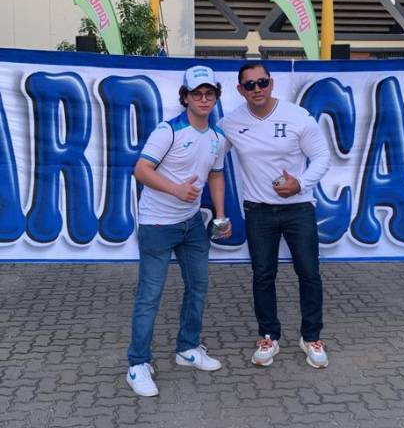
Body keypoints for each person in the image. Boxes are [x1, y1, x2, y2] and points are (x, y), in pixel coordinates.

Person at [126, 64, 231, 397]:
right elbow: (141, 170)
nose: (203, 99)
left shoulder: (217, 139)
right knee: (150, 296)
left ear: (216, 97)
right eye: (197, 94)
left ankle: (187, 349)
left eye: (209, 93)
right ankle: (137, 364)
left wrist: (220, 215)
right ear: (185, 97)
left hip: (192, 225)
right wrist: (175, 189)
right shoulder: (167, 131)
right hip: (157, 224)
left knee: (198, 288)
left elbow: (216, 175)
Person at [218, 63, 330, 369]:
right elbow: (212, 159)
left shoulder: (297, 116)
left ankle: (311, 337)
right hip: (258, 210)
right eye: (250, 85)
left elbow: (322, 156)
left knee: (309, 273)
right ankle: (268, 336)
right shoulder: (230, 123)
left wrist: (300, 183)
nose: (257, 89)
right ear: (240, 90)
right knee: (263, 275)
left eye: (262, 82)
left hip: (299, 209)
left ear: (272, 83)